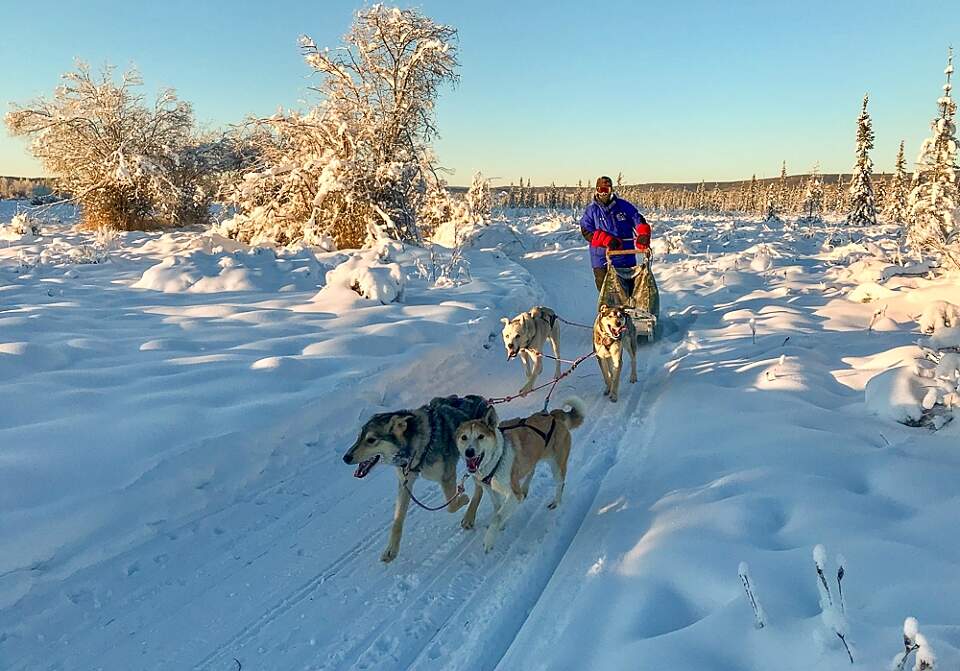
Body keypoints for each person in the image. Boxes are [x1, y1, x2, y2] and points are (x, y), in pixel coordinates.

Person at [580, 176, 652, 294]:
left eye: (606, 190)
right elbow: (586, 231)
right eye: (601, 190)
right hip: (602, 260)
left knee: (630, 294)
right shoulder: (591, 210)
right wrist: (606, 240)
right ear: (597, 190)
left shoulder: (623, 206)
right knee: (608, 296)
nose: (604, 194)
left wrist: (643, 234)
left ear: (611, 190)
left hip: (626, 259)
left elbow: (637, 219)